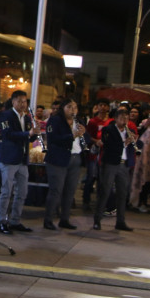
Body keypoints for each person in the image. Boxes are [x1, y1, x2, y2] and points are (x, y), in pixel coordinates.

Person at [0, 90, 39, 234]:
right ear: (13, 101)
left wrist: (35, 133)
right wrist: (28, 133)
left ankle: (15, 220)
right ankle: (1, 221)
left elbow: (29, 138)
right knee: (6, 191)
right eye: (19, 101)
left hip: (22, 160)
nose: (22, 104)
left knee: (22, 192)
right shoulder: (6, 115)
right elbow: (8, 134)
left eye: (24, 101)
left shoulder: (26, 118)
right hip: (9, 159)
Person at [43, 98, 87, 230]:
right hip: (58, 159)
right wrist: (72, 136)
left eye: (75, 107)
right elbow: (53, 139)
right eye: (69, 107)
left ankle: (65, 219)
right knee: (56, 190)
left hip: (75, 158)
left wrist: (84, 133)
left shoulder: (79, 121)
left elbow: (86, 139)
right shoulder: (55, 120)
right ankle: (48, 220)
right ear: (63, 108)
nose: (72, 110)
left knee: (70, 190)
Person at [93, 108, 136, 231]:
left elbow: (139, 145)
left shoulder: (130, 131)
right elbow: (108, 145)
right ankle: (97, 220)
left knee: (122, 193)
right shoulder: (108, 129)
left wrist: (135, 141)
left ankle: (120, 221)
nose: (124, 120)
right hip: (110, 164)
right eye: (122, 118)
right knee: (105, 192)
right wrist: (124, 143)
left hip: (123, 165)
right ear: (116, 119)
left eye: (126, 118)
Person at [82, 98, 111, 210]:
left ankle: (101, 202)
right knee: (91, 177)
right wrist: (97, 141)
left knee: (103, 179)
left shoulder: (111, 121)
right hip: (94, 153)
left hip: (106, 153)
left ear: (108, 107)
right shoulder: (93, 121)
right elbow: (88, 136)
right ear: (97, 107)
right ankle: (86, 200)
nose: (103, 107)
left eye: (105, 105)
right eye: (101, 105)